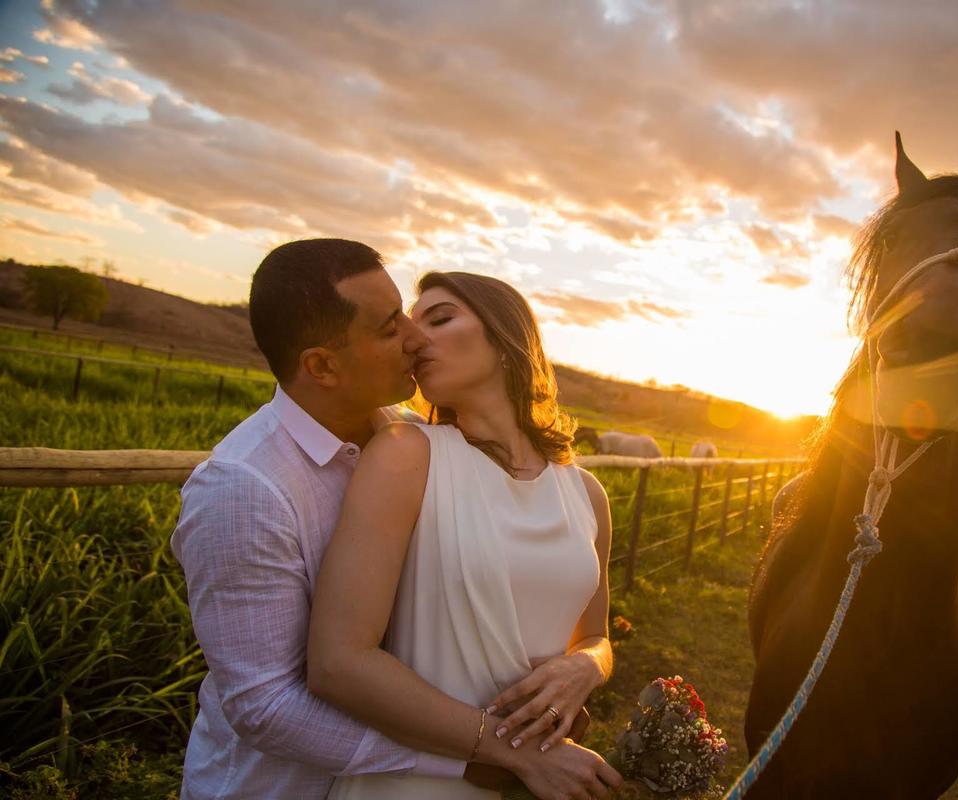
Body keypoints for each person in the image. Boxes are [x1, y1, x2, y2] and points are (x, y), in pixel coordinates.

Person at [171, 240, 612, 800]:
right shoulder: (243, 489)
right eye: (391, 326)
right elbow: (267, 705)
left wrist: (586, 666)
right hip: (274, 788)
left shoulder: (407, 435)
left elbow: (583, 627)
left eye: (424, 316)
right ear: (322, 366)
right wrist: (481, 755)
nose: (413, 337)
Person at [308, 271, 623, 799]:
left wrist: (586, 667)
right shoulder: (407, 455)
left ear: (505, 335)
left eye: (440, 318)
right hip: (416, 784)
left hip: (538, 781)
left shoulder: (587, 494)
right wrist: (514, 752)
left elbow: (595, 635)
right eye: (410, 325)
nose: (414, 338)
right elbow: (337, 663)